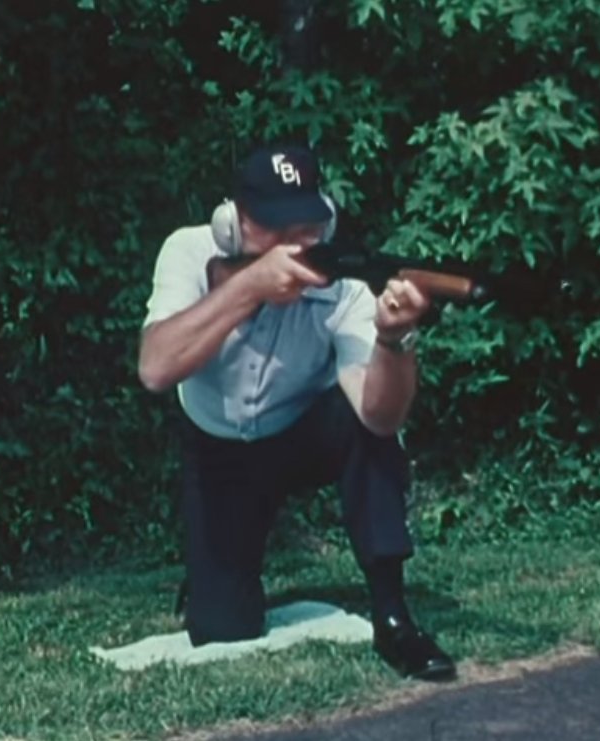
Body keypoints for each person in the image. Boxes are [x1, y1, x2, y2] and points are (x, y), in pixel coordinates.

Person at [137, 143, 456, 681]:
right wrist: (250, 288)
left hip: (302, 436)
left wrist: (394, 341)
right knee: (222, 624)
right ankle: (213, 572)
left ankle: (393, 614)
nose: (292, 243)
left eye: (304, 226)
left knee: (359, 426)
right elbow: (155, 368)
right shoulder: (188, 254)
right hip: (220, 452)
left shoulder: (343, 287)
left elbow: (381, 418)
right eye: (272, 228)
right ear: (231, 226)